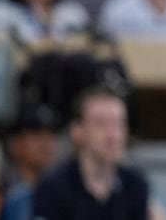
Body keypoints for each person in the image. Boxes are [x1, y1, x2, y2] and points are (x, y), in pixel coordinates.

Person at [31, 87, 158, 220]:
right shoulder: (53, 187)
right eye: (100, 124)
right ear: (77, 130)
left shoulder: (135, 185)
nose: (112, 135)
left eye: (118, 124)